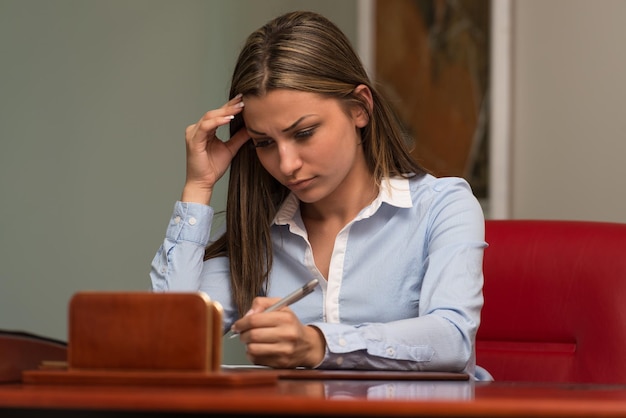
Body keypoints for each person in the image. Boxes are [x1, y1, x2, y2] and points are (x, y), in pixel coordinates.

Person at [150, 10, 488, 378]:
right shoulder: (256, 233)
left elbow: (452, 339)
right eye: (264, 142)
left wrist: (317, 344)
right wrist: (198, 187)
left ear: (359, 108)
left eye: (304, 132)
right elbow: (169, 343)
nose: (287, 164)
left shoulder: (442, 206)